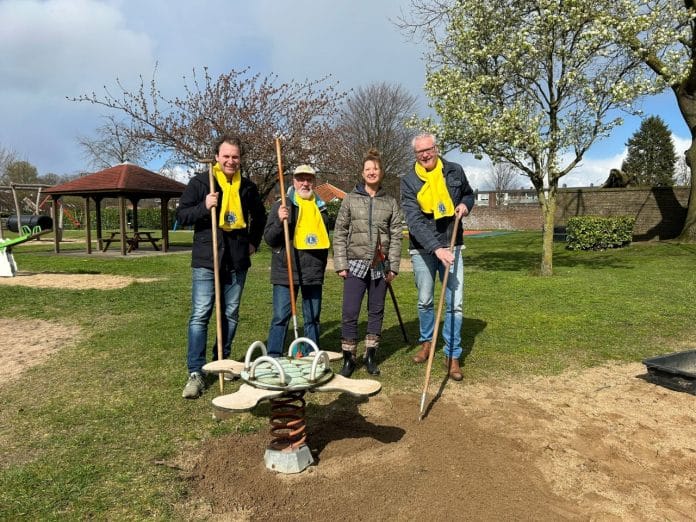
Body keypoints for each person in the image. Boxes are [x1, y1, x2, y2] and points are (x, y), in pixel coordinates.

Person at [176, 135, 267, 399]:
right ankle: (196, 371)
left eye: (235, 157)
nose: (230, 161)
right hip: (207, 258)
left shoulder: (247, 188)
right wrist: (205, 206)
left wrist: (252, 241)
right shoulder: (201, 182)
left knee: (230, 313)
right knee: (201, 314)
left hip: (237, 259)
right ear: (217, 157)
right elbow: (182, 216)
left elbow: (260, 217)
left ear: (240, 159)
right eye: (226, 156)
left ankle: (223, 361)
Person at [400, 133, 474, 381]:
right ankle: (427, 343)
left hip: (452, 244)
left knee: (455, 303)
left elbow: (468, 194)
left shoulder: (454, 171)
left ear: (436, 148)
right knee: (425, 300)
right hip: (423, 249)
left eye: (428, 149)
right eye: (419, 151)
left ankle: (452, 354)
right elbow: (414, 221)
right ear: (415, 154)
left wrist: (465, 205)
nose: (425, 155)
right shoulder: (409, 181)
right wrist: (436, 249)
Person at [333, 149, 403, 377]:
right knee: (350, 312)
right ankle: (349, 359)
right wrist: (341, 263)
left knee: (376, 311)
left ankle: (370, 356)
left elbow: (396, 236)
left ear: (381, 172)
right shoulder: (351, 199)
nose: (372, 172)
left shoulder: (390, 202)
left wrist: (392, 267)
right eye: (368, 169)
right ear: (362, 173)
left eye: (375, 169)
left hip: (380, 265)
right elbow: (340, 232)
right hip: (354, 263)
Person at [264, 164, 330, 358]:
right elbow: (269, 238)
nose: (305, 183)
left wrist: (321, 267)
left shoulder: (321, 207)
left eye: (309, 179)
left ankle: (311, 355)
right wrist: (279, 220)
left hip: (312, 272)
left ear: (314, 182)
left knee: (313, 318)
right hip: (286, 271)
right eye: (301, 179)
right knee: (280, 318)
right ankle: (274, 356)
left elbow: (324, 239)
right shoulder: (282, 204)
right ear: (294, 181)